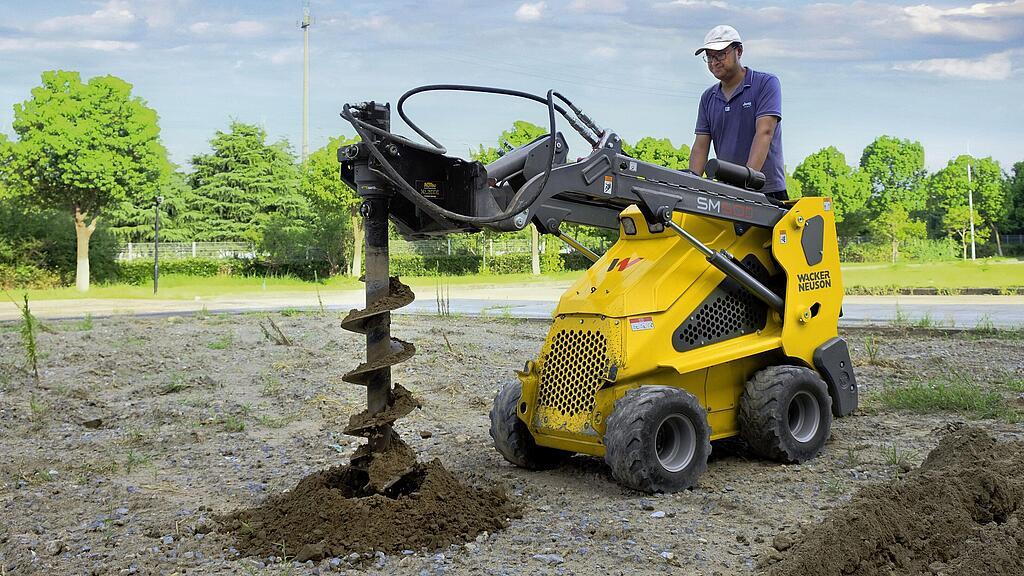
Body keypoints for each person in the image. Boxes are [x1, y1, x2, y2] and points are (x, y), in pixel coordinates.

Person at [688, 25, 787, 201]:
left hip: (766, 191)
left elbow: (764, 132)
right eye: (709, 57)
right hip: (728, 194)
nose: (714, 62)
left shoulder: (765, 84)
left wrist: (746, 184)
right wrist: (691, 187)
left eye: (720, 54)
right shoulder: (708, 97)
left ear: (739, 51)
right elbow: (700, 147)